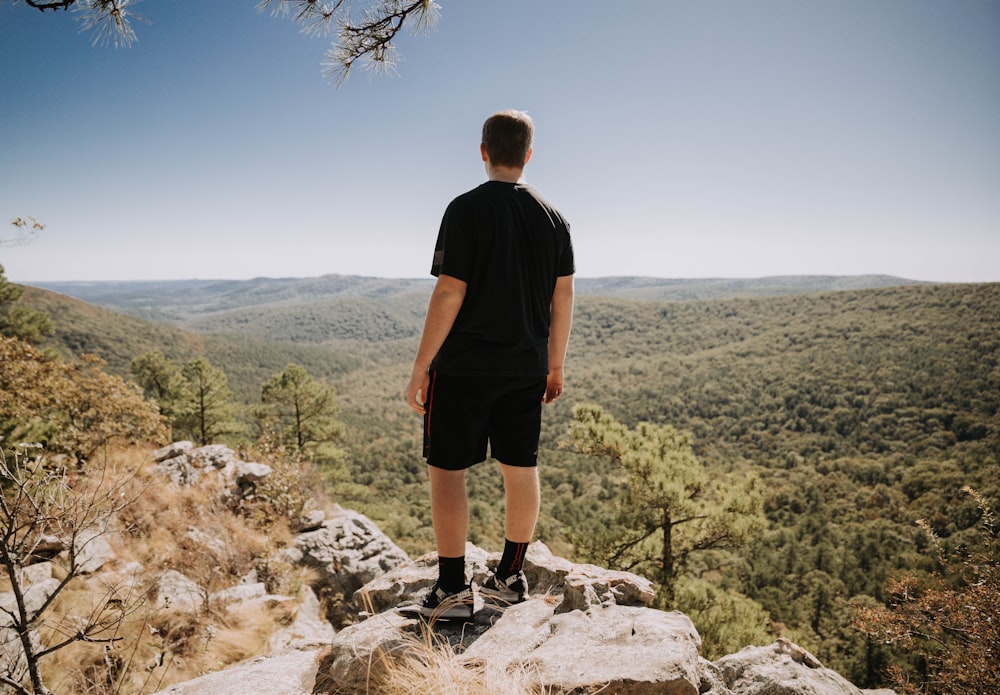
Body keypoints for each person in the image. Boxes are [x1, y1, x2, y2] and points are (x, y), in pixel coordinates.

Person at [403, 110, 575, 620]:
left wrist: (420, 367)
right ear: (527, 154)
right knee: (521, 468)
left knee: (447, 471)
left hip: (463, 367)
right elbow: (562, 298)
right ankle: (509, 576)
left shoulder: (464, 209)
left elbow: (450, 290)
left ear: (483, 151)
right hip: (526, 365)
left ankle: (453, 589)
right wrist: (555, 365)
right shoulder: (554, 218)